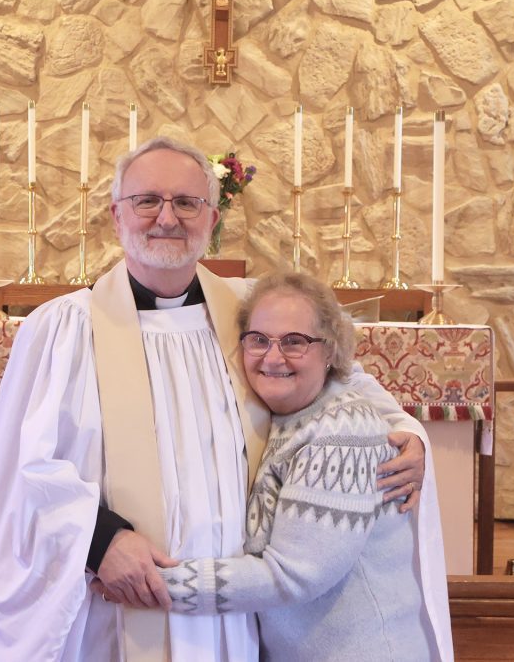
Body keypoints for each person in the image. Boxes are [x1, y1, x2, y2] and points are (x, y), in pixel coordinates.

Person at [0, 136, 432, 661]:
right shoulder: (63, 328)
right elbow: (20, 468)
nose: (167, 217)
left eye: (187, 203)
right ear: (117, 216)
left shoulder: (251, 312)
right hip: (115, 604)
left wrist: (408, 434)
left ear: (211, 220)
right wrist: (102, 541)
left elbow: (345, 375)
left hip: (228, 618)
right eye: (147, 201)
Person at [159, 272, 453, 661]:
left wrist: (161, 584)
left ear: (330, 351)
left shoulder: (342, 430)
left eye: (295, 342)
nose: (273, 357)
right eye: (259, 340)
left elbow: (296, 575)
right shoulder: (279, 416)